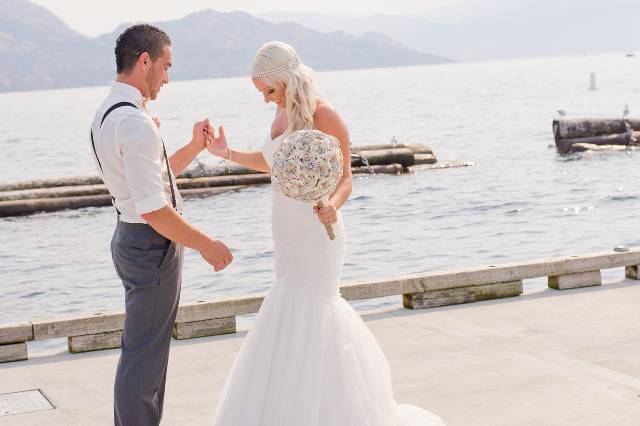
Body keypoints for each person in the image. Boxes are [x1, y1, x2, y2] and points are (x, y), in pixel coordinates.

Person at [207, 41, 444, 425]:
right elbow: (271, 163)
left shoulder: (325, 114)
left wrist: (333, 205)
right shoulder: (282, 114)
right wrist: (225, 152)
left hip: (319, 229)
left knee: (312, 308)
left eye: (269, 90)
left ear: (287, 78)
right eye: (261, 93)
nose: (267, 100)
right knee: (290, 312)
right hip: (285, 228)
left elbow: (347, 178)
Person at [89, 24, 233, 426]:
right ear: (144, 60)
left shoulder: (107, 111)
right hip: (151, 243)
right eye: (166, 67)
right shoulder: (134, 122)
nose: (168, 79)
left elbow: (150, 182)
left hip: (133, 238)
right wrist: (207, 243)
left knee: (145, 353)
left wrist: (193, 147)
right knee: (144, 359)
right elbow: (153, 207)